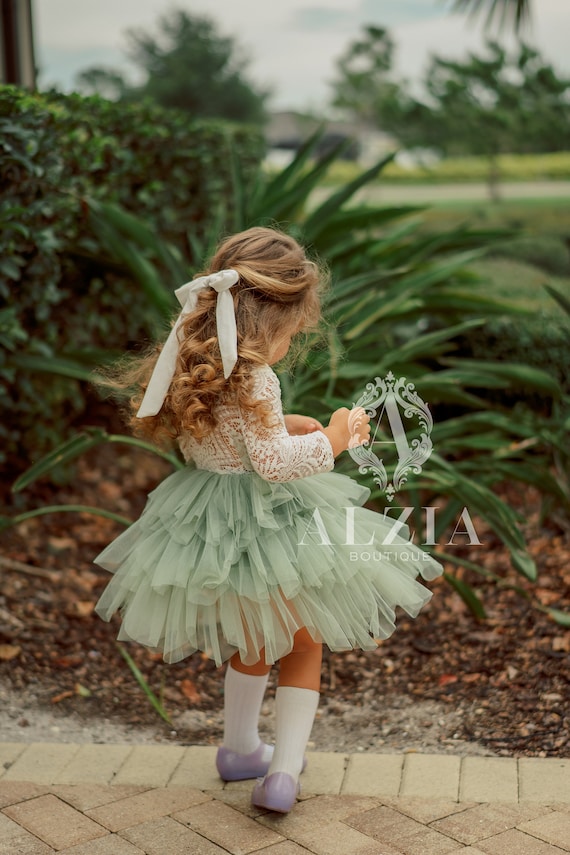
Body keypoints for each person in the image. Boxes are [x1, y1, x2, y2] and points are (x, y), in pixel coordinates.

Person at [94, 226, 442, 814]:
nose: (289, 344)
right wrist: (333, 437)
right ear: (268, 322)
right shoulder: (255, 374)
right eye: (289, 333)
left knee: (254, 635)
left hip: (210, 520)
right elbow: (275, 466)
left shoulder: (195, 361)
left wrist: (288, 422)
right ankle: (281, 773)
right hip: (271, 524)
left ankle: (237, 748)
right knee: (303, 643)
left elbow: (229, 440)